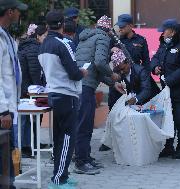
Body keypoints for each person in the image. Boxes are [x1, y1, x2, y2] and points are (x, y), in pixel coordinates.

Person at [38, 10, 88, 189]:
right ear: (61, 25)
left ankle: (61, 176)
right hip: (67, 95)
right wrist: (82, 72)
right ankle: (59, 179)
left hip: (53, 93)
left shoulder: (43, 45)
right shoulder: (62, 44)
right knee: (67, 138)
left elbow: (43, 74)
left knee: (60, 138)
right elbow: (74, 73)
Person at [74, 15, 121, 175]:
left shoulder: (85, 37)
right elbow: (100, 63)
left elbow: (95, 67)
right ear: (108, 30)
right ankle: (81, 162)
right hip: (86, 87)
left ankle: (85, 157)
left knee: (83, 123)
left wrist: (111, 83)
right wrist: (113, 75)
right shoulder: (102, 38)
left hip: (77, 84)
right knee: (84, 125)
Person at [151, 19, 180, 159]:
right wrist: (155, 67)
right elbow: (156, 57)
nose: (162, 34)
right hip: (166, 92)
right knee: (167, 119)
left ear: (173, 32)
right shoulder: (164, 43)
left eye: (165, 30)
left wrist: (169, 80)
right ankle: (168, 147)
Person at [0, 0, 27, 188]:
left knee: (9, 151)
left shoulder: (7, 36)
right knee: (4, 153)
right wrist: (3, 110)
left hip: (10, 105)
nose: (20, 15)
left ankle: (10, 184)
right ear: (9, 12)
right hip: (4, 109)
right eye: (18, 11)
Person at [107, 14, 151, 110]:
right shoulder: (115, 40)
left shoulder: (141, 40)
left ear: (131, 26)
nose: (120, 29)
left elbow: (146, 62)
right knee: (115, 108)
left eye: (123, 26)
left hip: (135, 79)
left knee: (134, 111)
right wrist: (110, 50)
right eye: (119, 26)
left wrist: (145, 79)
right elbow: (105, 60)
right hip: (119, 78)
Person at [18, 24, 47, 157]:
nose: (46, 39)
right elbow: (35, 71)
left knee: (30, 118)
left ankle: (33, 143)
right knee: (29, 118)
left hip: (25, 87)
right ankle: (26, 147)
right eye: (45, 36)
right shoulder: (34, 49)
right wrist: (40, 89)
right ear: (38, 36)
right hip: (29, 89)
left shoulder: (26, 46)